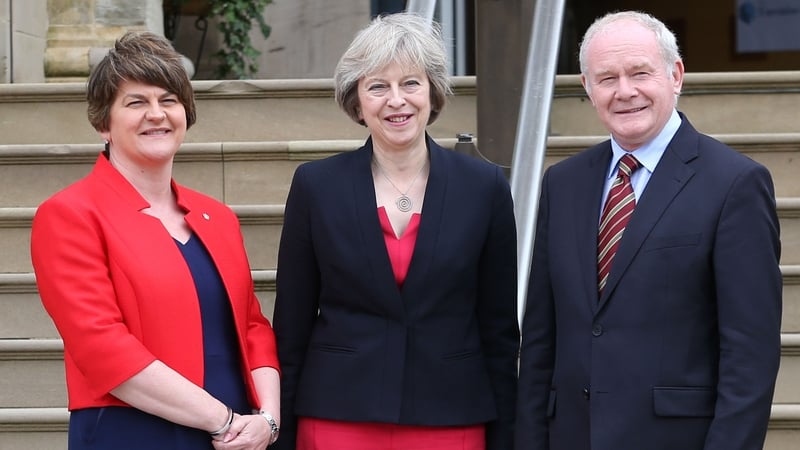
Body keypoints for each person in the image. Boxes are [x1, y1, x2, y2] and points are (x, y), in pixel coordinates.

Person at [515, 10, 782, 450]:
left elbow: (749, 356)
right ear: (587, 88)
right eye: (607, 78)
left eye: (640, 73)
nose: (625, 92)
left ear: (675, 75)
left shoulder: (734, 183)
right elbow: (542, 341)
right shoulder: (562, 184)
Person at [272, 12, 519, 450]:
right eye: (377, 86)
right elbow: (291, 327)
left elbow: (498, 330)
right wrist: (283, 435)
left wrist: (506, 436)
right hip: (337, 417)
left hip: (452, 416)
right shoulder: (316, 186)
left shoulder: (485, 188)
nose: (396, 100)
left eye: (410, 83)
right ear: (357, 101)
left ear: (432, 92)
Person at [30, 31, 281, 450]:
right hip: (132, 432)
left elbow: (252, 327)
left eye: (168, 100)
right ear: (102, 123)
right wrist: (221, 420)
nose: (156, 114)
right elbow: (101, 347)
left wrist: (267, 420)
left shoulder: (216, 217)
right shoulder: (70, 215)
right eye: (135, 102)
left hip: (237, 437)